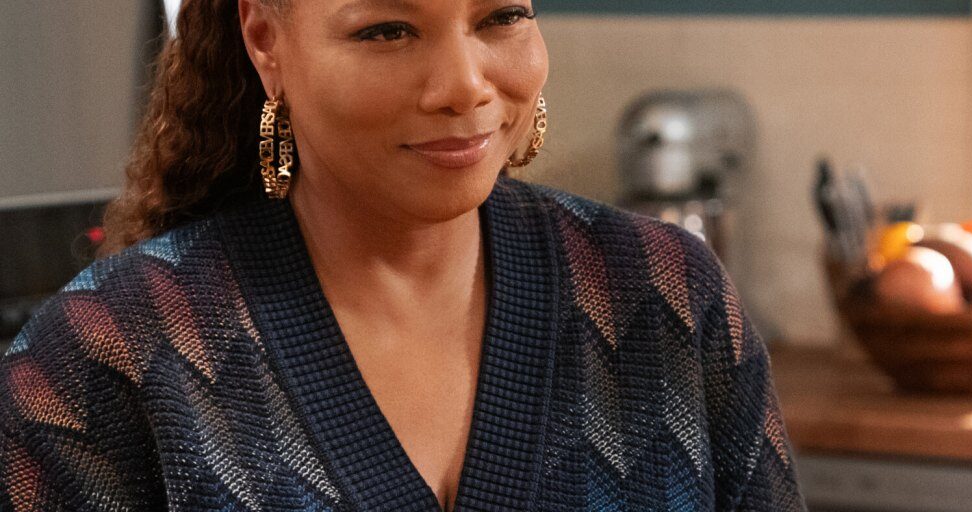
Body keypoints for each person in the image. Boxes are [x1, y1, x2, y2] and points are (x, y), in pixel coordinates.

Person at [0, 0, 807, 510]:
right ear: (266, 41)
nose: (463, 85)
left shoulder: (664, 297)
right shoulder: (103, 360)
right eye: (386, 30)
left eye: (501, 18)